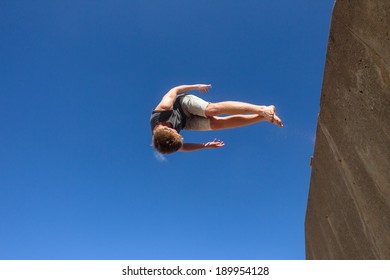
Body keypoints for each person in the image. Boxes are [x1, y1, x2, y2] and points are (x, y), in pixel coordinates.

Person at [150, 84, 283, 154]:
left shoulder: (164, 108)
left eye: (176, 132)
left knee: (211, 110)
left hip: (183, 104)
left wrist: (196, 86)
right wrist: (205, 146)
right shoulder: (166, 143)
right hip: (186, 122)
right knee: (217, 124)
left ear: (167, 128)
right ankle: (263, 118)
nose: (178, 133)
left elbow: (176, 89)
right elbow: (182, 148)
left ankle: (262, 109)